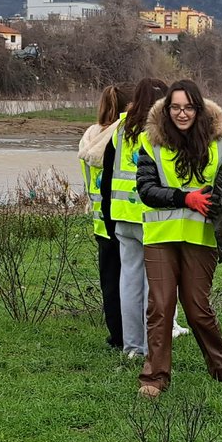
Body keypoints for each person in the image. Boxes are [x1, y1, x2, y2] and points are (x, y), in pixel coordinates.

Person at [135, 80, 222, 396]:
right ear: (167, 110)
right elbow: (146, 189)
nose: (182, 113)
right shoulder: (151, 143)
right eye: (175, 107)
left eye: (188, 107)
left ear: (199, 109)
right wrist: (184, 198)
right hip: (161, 237)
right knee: (161, 307)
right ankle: (155, 377)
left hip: (201, 238)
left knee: (196, 308)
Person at [106, 77, 168, 360]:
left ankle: (132, 347)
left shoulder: (120, 128)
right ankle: (149, 345)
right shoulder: (158, 130)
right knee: (153, 285)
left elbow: (108, 172)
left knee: (128, 282)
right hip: (150, 215)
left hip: (122, 215)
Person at [78, 84, 131, 351]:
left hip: (100, 220)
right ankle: (133, 336)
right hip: (126, 215)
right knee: (131, 280)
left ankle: (116, 336)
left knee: (110, 282)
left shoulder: (88, 136)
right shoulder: (123, 136)